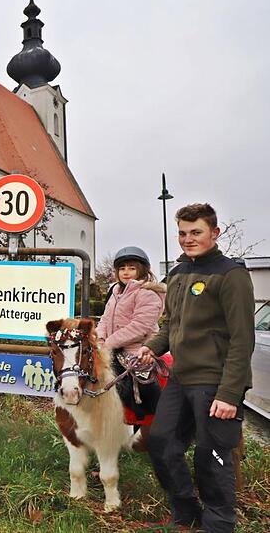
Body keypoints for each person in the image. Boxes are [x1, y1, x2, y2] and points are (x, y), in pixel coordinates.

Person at [136, 203, 254, 533]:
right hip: (179, 380)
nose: (188, 239)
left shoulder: (231, 275)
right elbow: (171, 325)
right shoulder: (176, 274)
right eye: (183, 233)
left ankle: (218, 524)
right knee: (160, 443)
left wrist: (230, 394)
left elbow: (242, 340)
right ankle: (187, 513)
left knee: (211, 456)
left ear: (214, 233)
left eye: (196, 232)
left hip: (216, 383)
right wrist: (151, 347)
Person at [96, 246, 166, 422]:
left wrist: (109, 343)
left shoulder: (148, 292)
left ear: (142, 270)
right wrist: (99, 338)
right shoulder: (115, 291)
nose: (126, 272)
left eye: (131, 268)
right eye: (122, 268)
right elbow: (105, 319)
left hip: (139, 350)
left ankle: (155, 419)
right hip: (112, 349)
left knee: (141, 387)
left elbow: (140, 326)